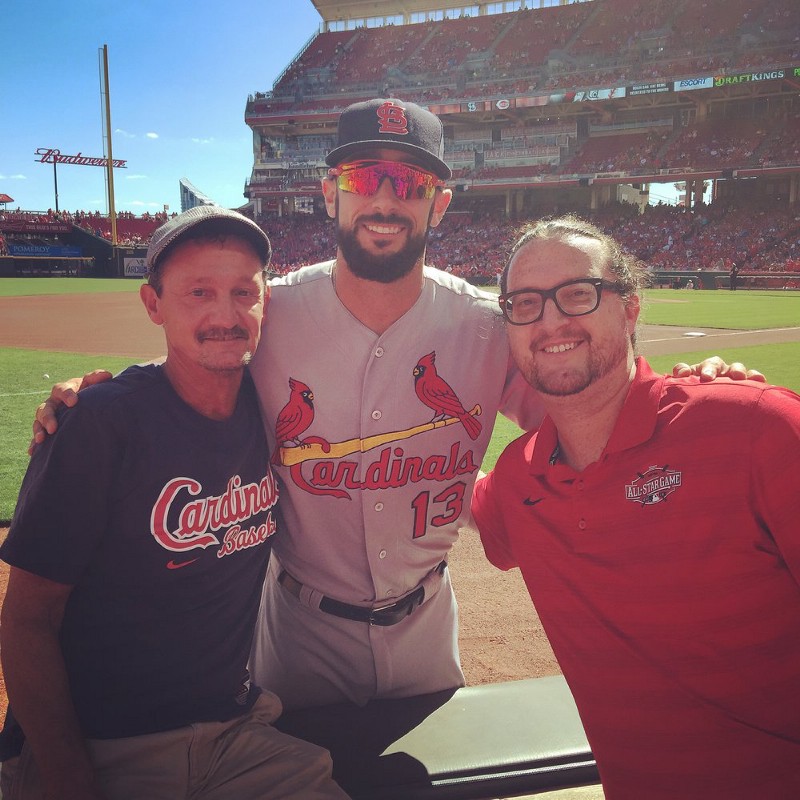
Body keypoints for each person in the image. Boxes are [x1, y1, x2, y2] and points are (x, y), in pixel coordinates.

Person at [30, 99, 760, 713]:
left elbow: (594, 415)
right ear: (330, 193)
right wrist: (93, 395)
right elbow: (197, 362)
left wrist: (691, 389)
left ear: (438, 201)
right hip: (295, 631)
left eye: (408, 183)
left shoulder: (484, 325)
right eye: (364, 177)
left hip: (426, 626)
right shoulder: (271, 313)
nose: (385, 199)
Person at [0, 206, 348, 800]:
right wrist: (68, 778)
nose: (225, 314)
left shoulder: (267, 402)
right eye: (199, 293)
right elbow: (28, 617)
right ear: (153, 304)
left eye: (244, 292)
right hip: (105, 746)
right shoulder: (102, 423)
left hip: (235, 735)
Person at [471, 215, 800, 798]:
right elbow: (431, 489)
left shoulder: (758, 428)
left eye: (577, 294)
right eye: (524, 303)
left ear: (628, 308)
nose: (550, 321)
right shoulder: (518, 480)